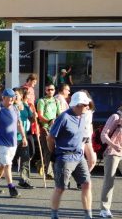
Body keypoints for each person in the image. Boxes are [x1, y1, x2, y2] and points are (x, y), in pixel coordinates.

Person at [47, 91, 93, 219]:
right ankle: (54, 215)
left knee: (87, 184)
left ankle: (88, 215)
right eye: (85, 105)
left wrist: (90, 153)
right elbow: (50, 138)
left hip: (79, 156)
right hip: (65, 156)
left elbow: (85, 136)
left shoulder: (84, 116)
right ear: (77, 105)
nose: (88, 107)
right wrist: (54, 153)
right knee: (60, 188)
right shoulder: (64, 117)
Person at [0, 88, 27, 198]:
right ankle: (11, 188)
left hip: (12, 142)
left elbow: (19, 124)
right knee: (8, 164)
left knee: (3, 164)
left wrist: (23, 137)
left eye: (14, 97)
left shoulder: (15, 109)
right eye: (10, 97)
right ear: (3, 98)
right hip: (0, 142)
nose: (12, 99)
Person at [99, 106, 122, 218]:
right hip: (112, 152)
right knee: (109, 181)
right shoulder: (115, 117)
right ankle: (104, 209)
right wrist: (114, 145)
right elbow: (103, 135)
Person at [37, 83, 61, 179]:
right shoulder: (42, 101)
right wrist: (49, 121)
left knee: (54, 150)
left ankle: (41, 164)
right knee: (47, 150)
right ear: (45, 91)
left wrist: (58, 122)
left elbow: (60, 114)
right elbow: (40, 116)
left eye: (52, 89)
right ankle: (49, 172)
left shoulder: (56, 101)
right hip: (45, 128)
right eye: (48, 90)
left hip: (55, 129)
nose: (50, 91)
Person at [13, 88, 36, 189]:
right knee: (6, 161)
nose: (14, 96)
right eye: (13, 95)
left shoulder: (26, 107)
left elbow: (31, 119)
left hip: (23, 137)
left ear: (21, 96)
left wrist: (34, 116)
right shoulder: (10, 107)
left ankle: (24, 180)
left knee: (25, 158)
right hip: (11, 137)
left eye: (16, 94)